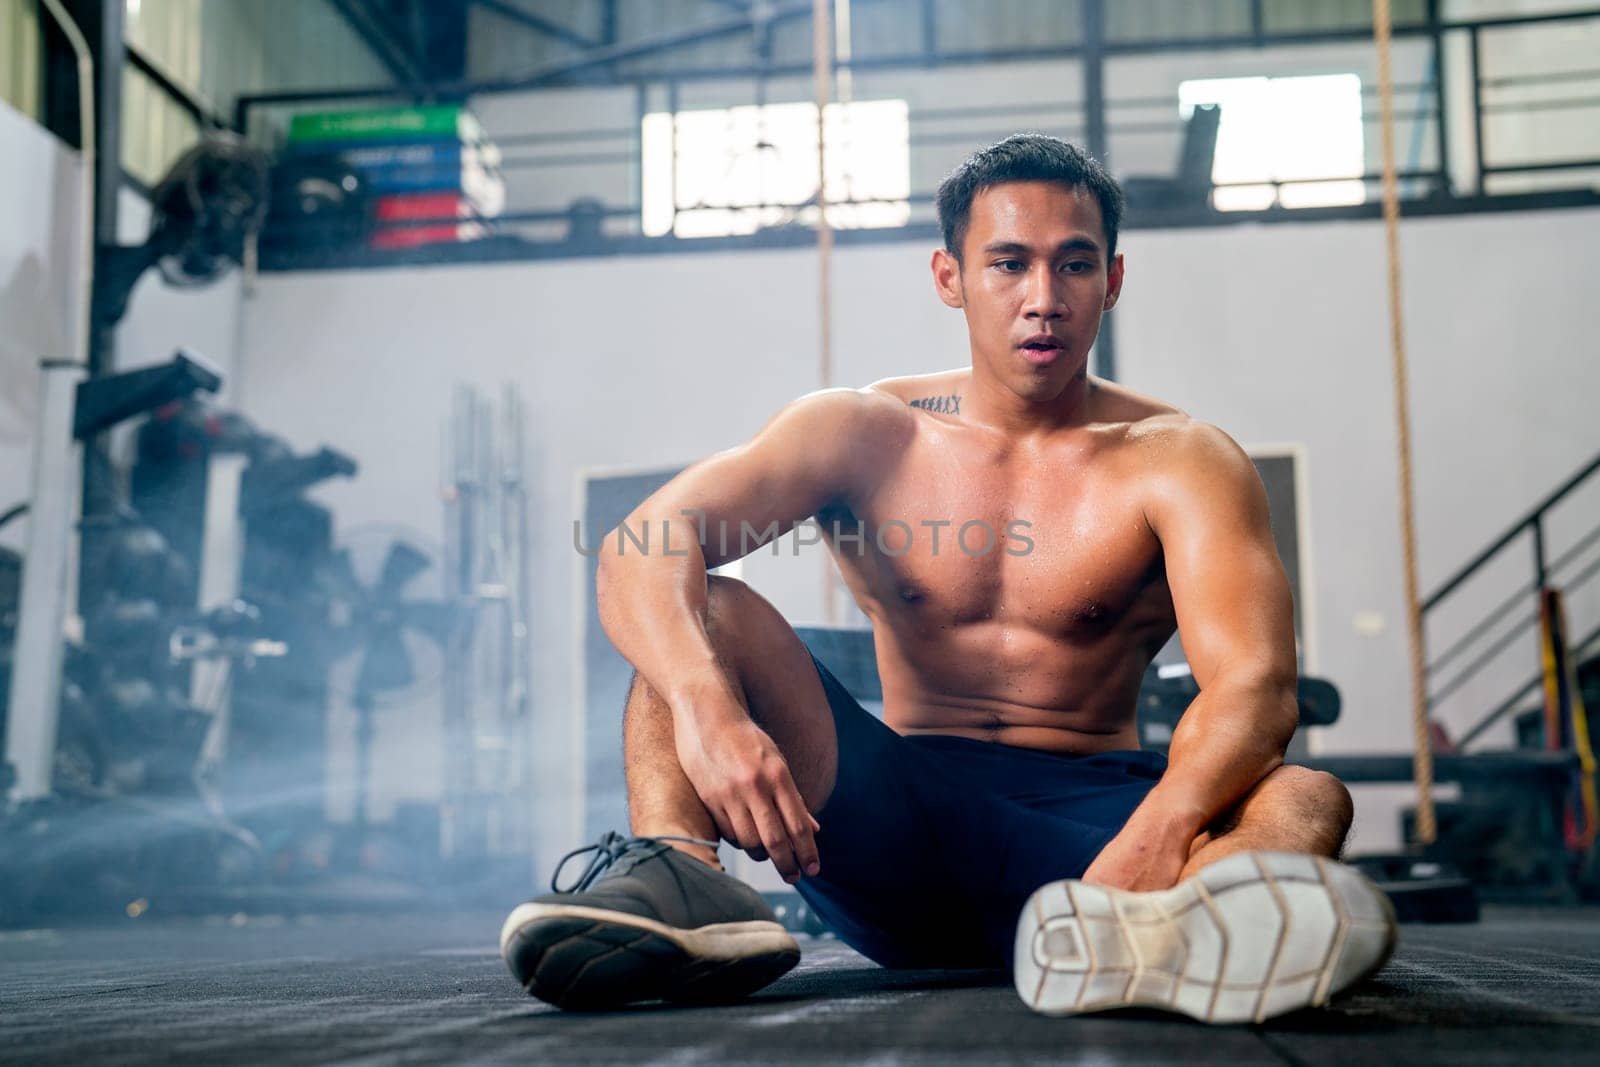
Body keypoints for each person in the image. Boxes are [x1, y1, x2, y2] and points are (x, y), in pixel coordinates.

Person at [499, 134, 1396, 1022]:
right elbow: (642, 542)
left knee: (1305, 795)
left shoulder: (1179, 459)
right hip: (898, 821)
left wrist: (1158, 835)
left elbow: (1256, 686)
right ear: (949, 277)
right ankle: (685, 878)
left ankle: (1168, 934)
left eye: (1074, 265)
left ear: (1112, 281)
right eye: (1008, 263)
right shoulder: (866, 432)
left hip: (1102, 840)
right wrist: (709, 716)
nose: (1042, 300)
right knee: (705, 610)